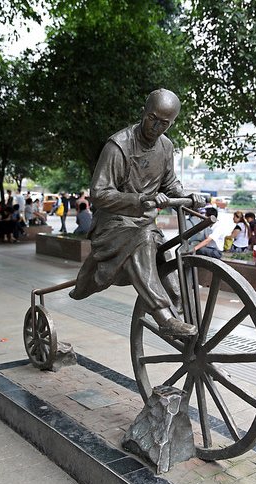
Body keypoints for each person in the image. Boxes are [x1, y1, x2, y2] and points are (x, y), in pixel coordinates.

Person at [70, 88, 204, 338]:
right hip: (113, 224)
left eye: (164, 123)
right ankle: (164, 317)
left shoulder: (166, 146)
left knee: (164, 253)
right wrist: (140, 200)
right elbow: (99, 193)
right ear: (144, 112)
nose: (156, 127)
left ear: (171, 123)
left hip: (144, 224)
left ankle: (180, 310)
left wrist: (186, 195)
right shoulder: (118, 145)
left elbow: (170, 182)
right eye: (152, 118)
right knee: (144, 240)